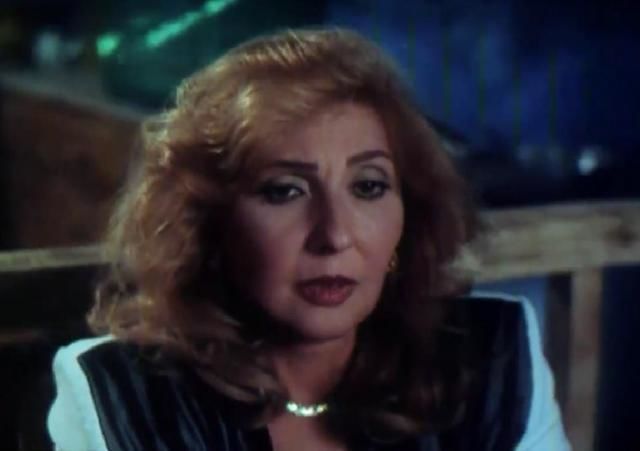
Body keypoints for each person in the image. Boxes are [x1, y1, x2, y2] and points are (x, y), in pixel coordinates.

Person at [47, 28, 570, 450]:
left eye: (368, 187)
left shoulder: (492, 361)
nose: (335, 235)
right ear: (207, 222)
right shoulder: (120, 398)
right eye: (285, 191)